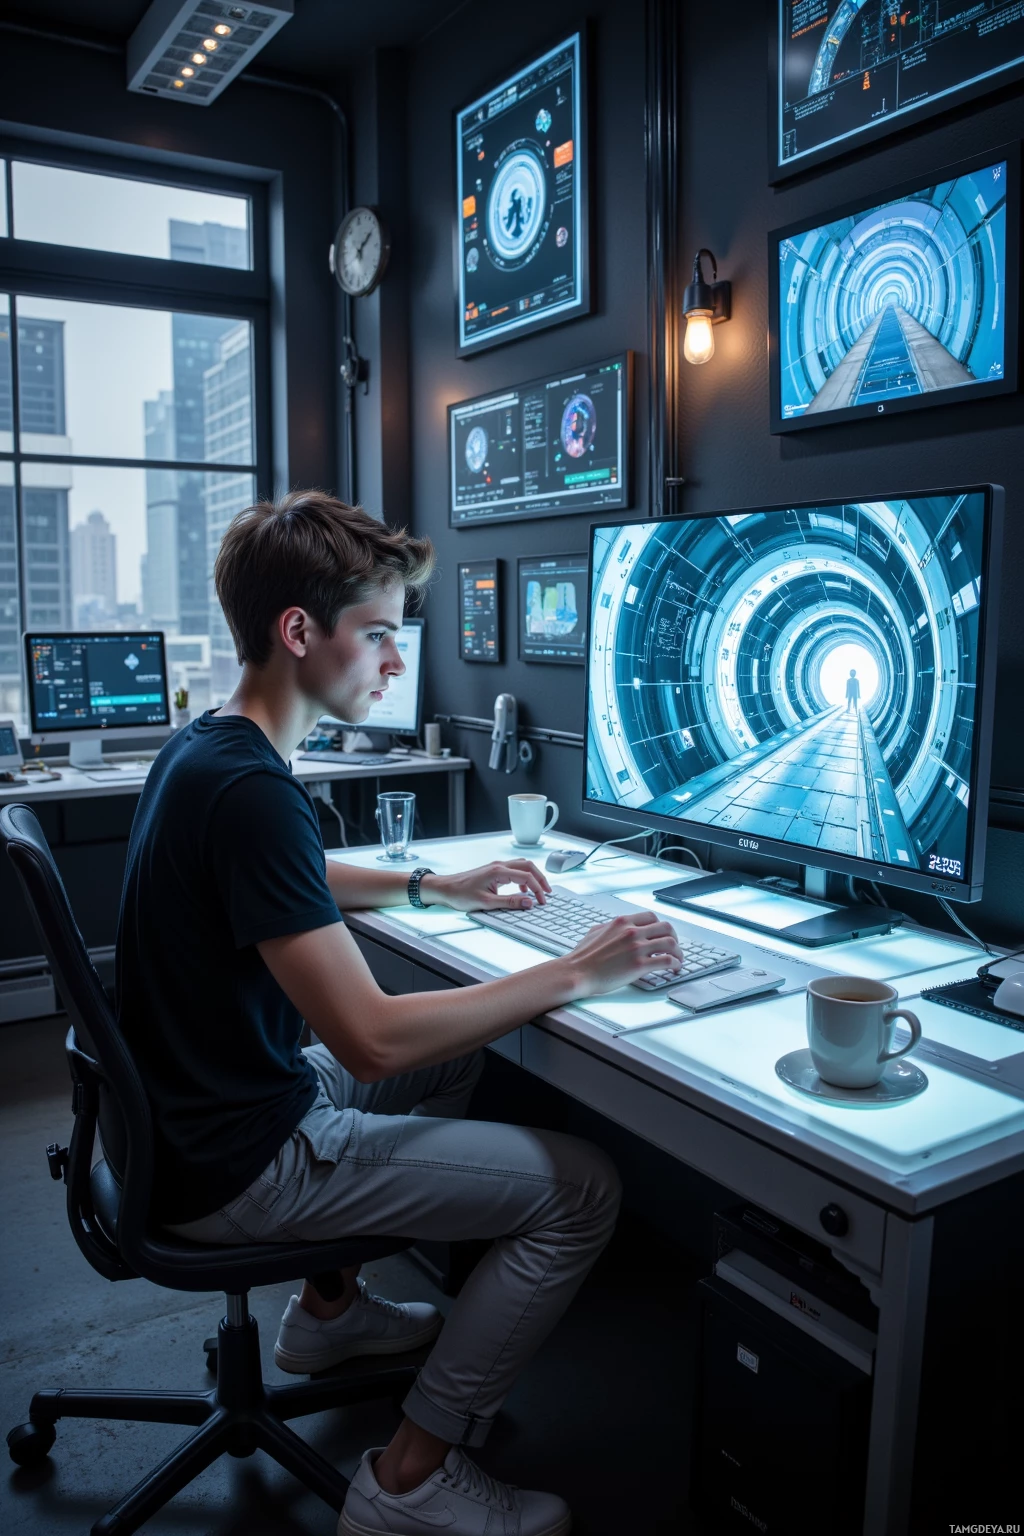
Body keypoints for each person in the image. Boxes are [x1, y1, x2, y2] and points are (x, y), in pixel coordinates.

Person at [116, 491, 684, 1536]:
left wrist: (436, 890)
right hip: (241, 1160)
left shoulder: (211, 750)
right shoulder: (251, 790)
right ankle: (412, 1478)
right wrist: (579, 972)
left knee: (453, 1050)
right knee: (584, 1190)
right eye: (378, 633)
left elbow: (291, 875)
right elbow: (367, 1042)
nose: (390, 660)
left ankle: (329, 1312)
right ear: (300, 632)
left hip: (188, 1116)